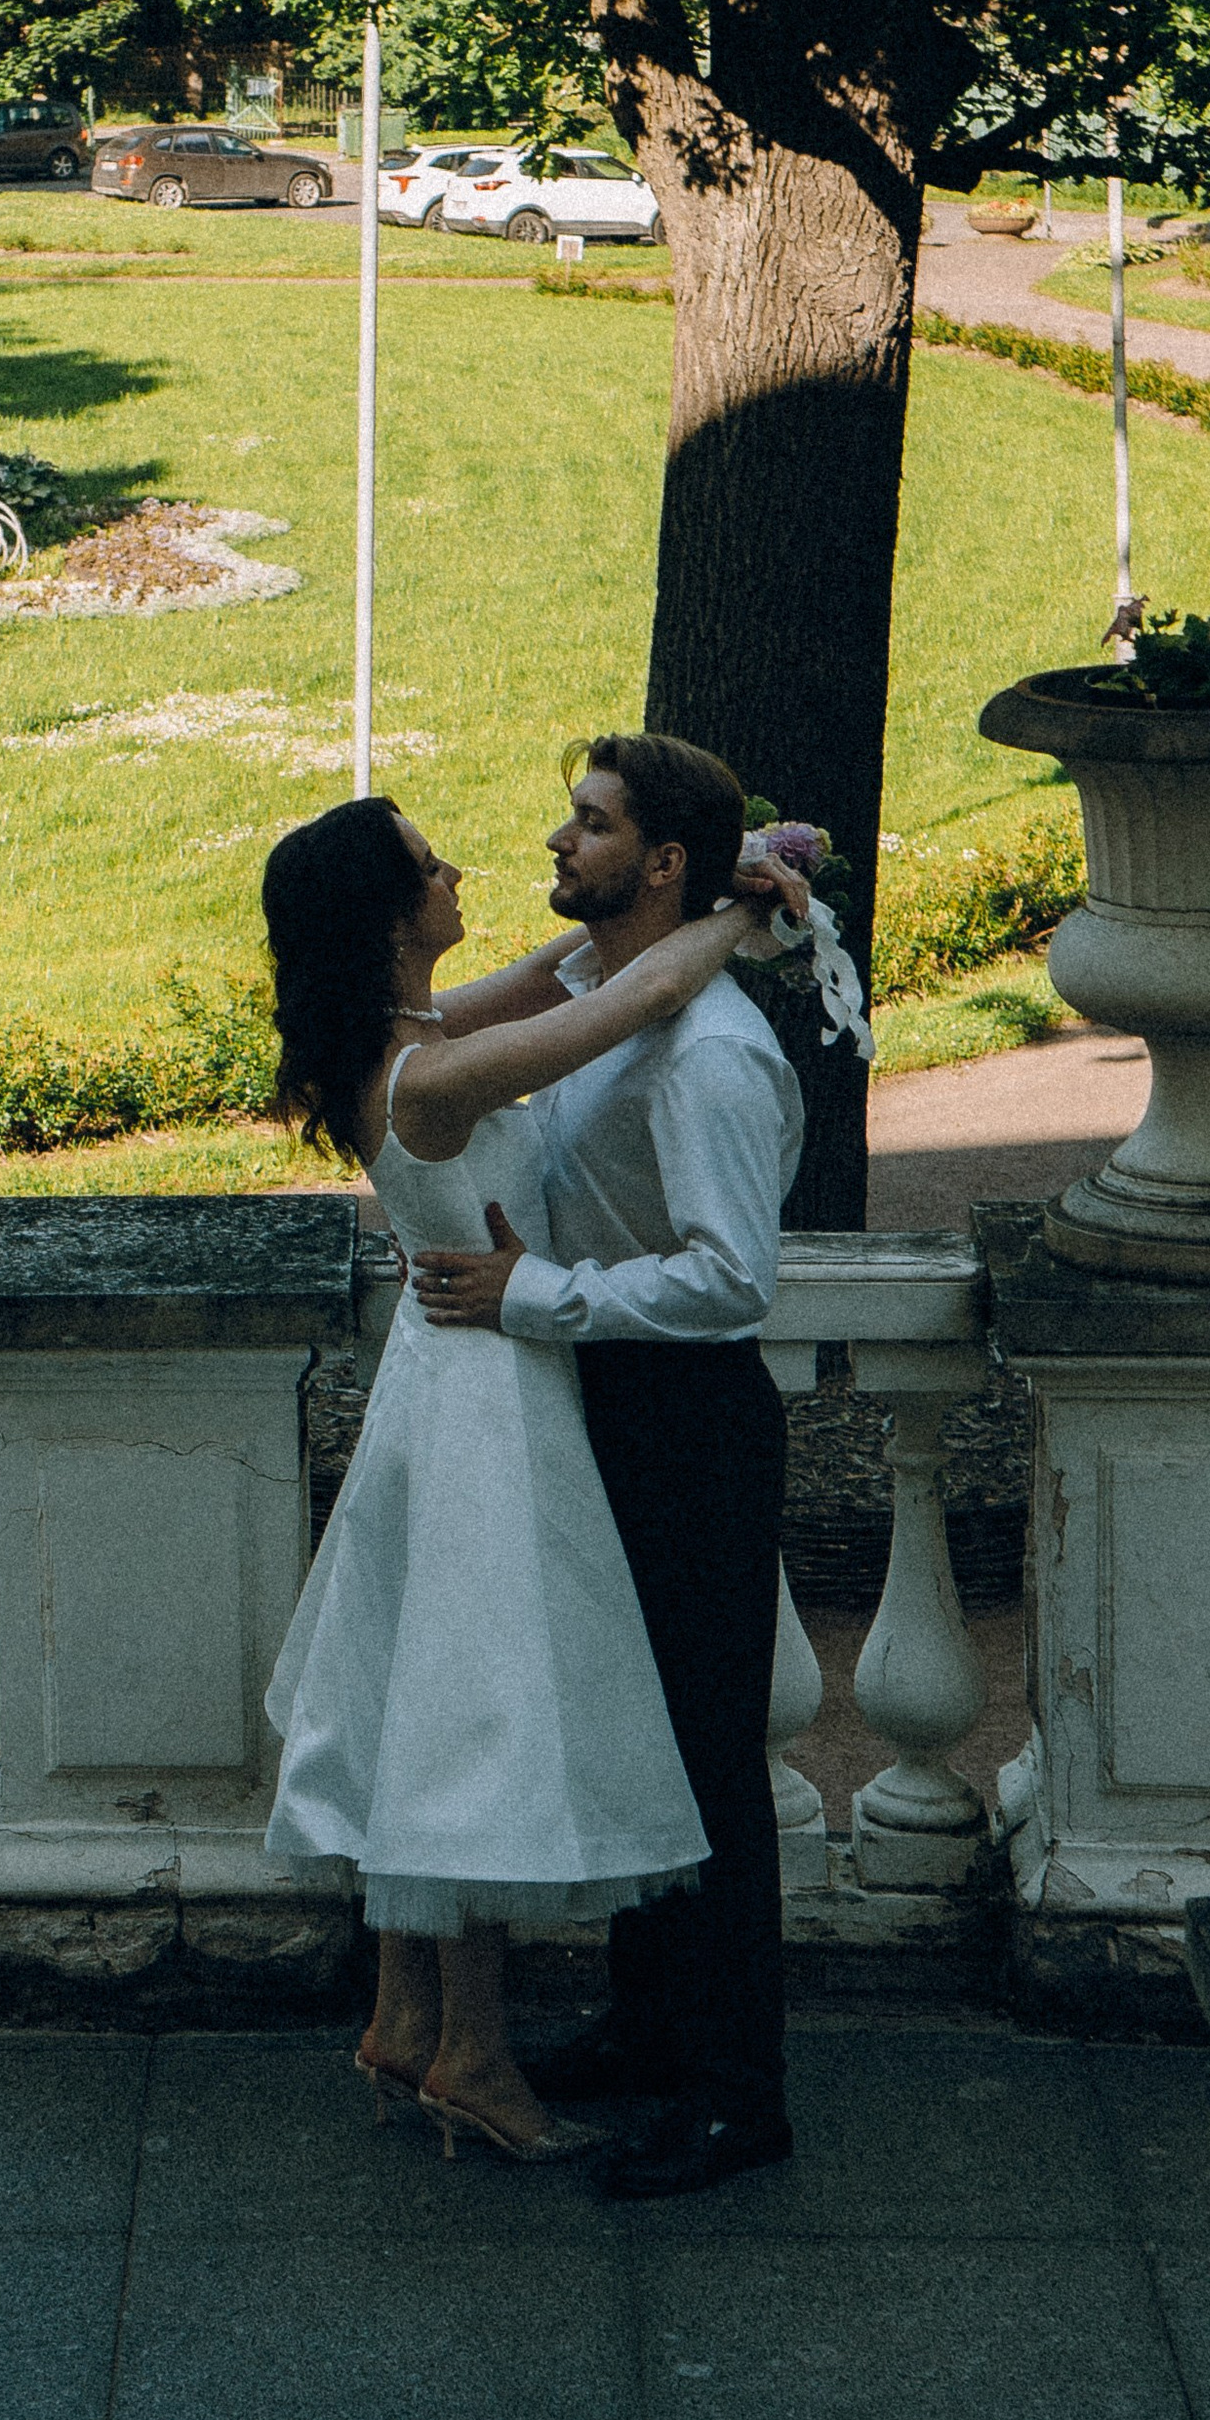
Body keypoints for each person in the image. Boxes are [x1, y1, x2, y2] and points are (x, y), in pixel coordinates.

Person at [260, 795, 767, 2162]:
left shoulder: (422, 1032)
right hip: (492, 1394)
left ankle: (407, 2021)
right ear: (388, 916)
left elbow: (575, 968)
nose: (461, 869)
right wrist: (747, 903)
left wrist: (739, 858)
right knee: (481, 1719)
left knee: (427, 1706)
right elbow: (643, 988)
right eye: (431, 867)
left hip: (453, 1377)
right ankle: (473, 2055)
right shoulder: (430, 1076)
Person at [411, 734, 803, 2201]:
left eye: (590, 825)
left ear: (665, 863)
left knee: (705, 1761)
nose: (558, 843)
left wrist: (539, 1299)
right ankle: (649, 2027)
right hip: (601, 1405)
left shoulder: (708, 1058)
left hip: (684, 1419)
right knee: (634, 1736)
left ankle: (733, 2095)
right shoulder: (599, 996)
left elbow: (729, 1283)